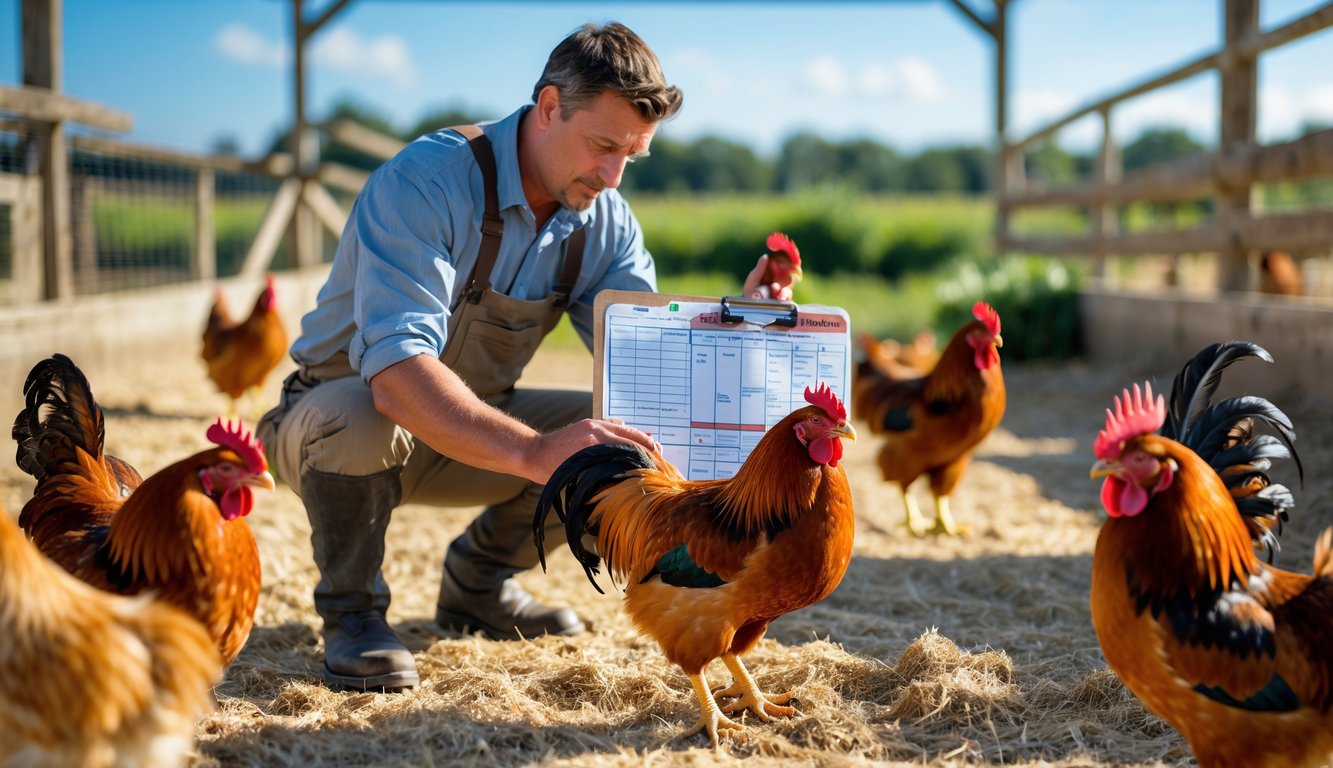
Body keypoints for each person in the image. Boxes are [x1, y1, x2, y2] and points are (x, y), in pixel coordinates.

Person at [257, 21, 796, 693]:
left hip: (473, 427)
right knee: (361, 416)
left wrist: (733, 329)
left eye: (632, 154)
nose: (612, 174)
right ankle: (353, 616)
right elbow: (395, 379)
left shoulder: (605, 220)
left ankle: (478, 586)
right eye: (602, 145)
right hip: (333, 425)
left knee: (629, 447)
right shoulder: (426, 183)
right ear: (547, 107)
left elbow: (653, 364)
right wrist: (532, 453)